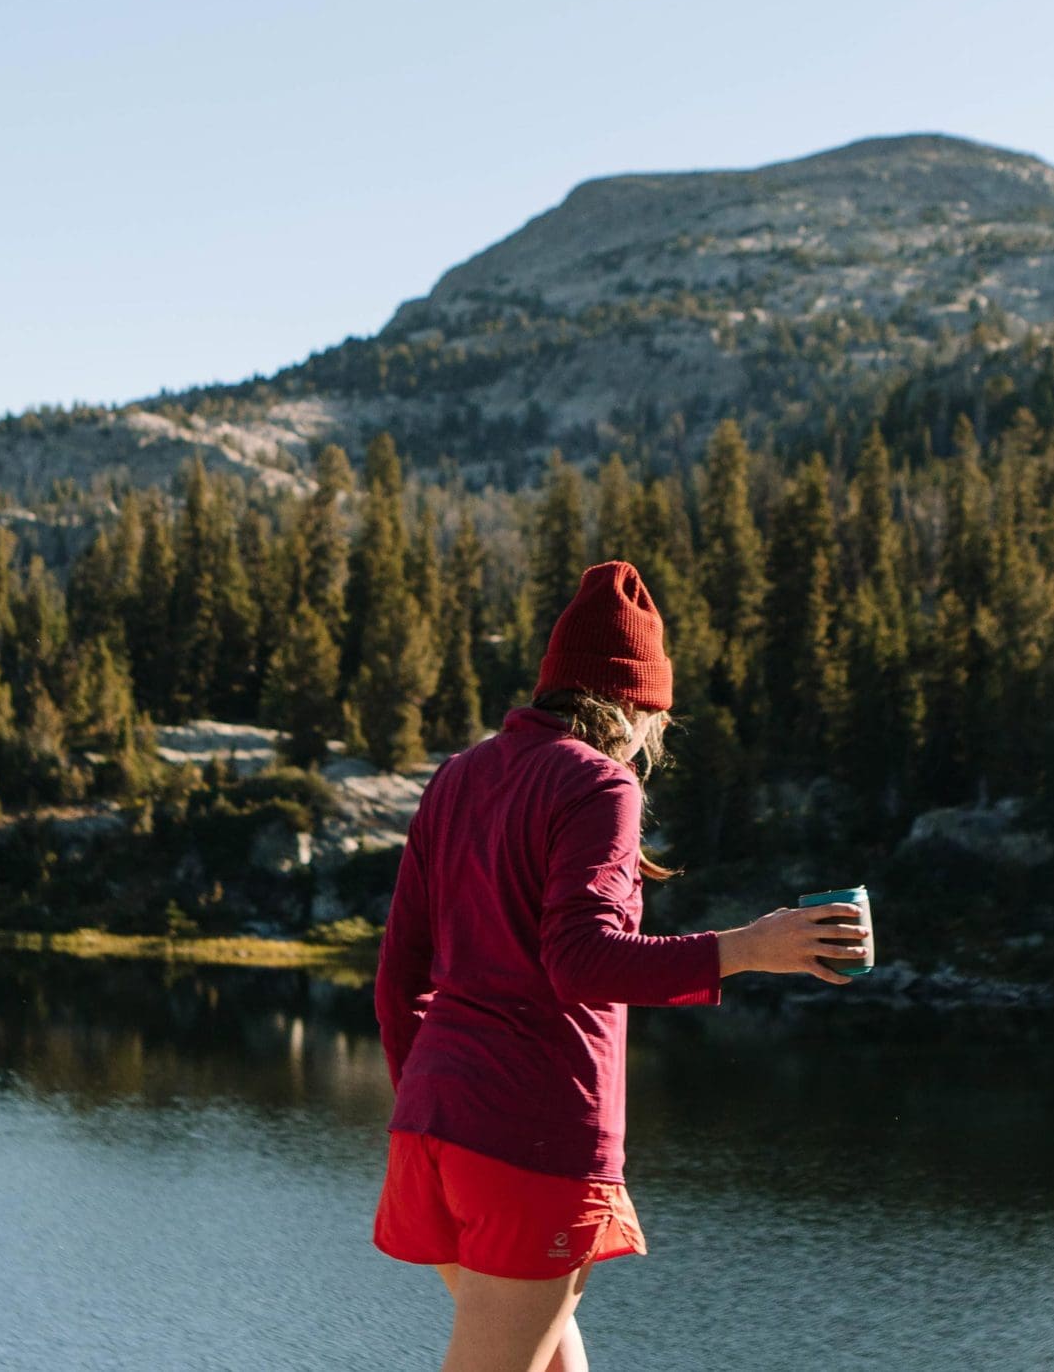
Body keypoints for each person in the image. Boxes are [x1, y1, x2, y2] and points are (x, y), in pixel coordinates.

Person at [371, 559, 870, 1372]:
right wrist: (752, 948)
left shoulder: (459, 776)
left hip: (433, 1123)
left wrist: (433, 1104)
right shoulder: (600, 784)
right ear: (640, 704)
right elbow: (583, 961)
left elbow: (399, 983)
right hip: (528, 1134)